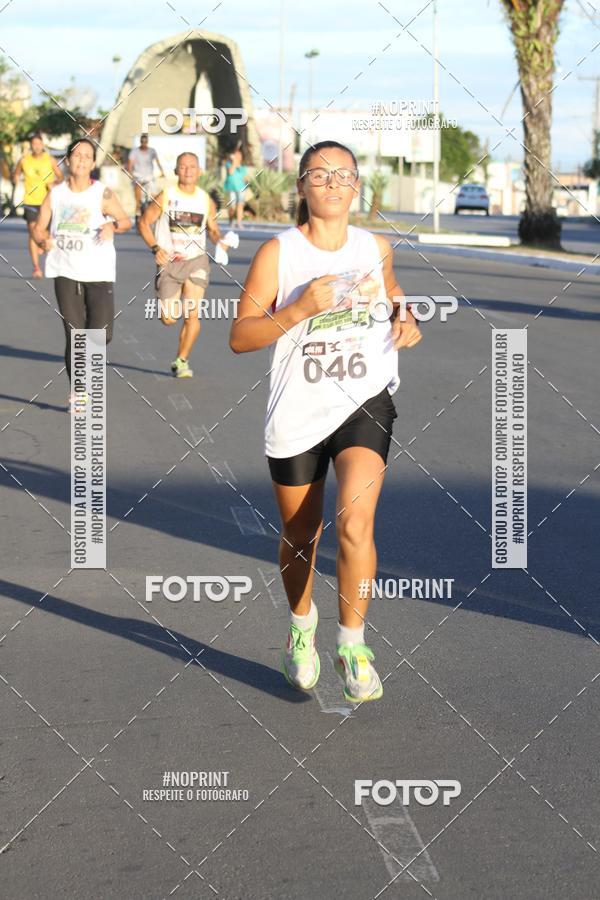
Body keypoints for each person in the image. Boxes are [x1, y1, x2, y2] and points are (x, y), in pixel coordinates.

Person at [229, 140, 422, 702]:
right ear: (302, 186)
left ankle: (354, 643)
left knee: (356, 524)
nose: (334, 183)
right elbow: (241, 336)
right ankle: (301, 625)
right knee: (299, 534)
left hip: (365, 397)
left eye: (344, 174)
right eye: (321, 174)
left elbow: (392, 298)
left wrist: (405, 319)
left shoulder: (375, 246)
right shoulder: (278, 254)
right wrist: (298, 309)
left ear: (357, 186)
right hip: (297, 409)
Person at [33, 138, 131, 405]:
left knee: (103, 334)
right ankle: (79, 391)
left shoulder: (103, 193)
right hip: (65, 270)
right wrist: (43, 240)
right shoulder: (55, 194)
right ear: (68, 159)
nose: (82, 160)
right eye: (77, 155)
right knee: (74, 333)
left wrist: (112, 226)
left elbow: (125, 220)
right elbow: (39, 227)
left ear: (93, 162)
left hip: (98, 272)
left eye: (87, 156)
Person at [138, 152, 231, 378]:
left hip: (196, 261)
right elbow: (143, 222)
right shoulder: (166, 195)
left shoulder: (204, 200)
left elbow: (213, 229)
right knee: (169, 318)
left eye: (192, 166)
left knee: (192, 314)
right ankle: (171, 300)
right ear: (176, 171)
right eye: (183, 166)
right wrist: (155, 248)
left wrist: (221, 241)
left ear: (199, 171)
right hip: (169, 263)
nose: (188, 170)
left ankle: (182, 360)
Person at [12, 133, 64, 278]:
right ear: (31, 145)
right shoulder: (24, 160)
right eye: (34, 144)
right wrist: (15, 178)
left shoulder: (50, 160)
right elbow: (15, 174)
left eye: (39, 143)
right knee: (33, 231)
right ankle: (36, 268)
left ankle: (43, 247)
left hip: (47, 201)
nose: (36, 146)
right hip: (30, 201)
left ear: (42, 145)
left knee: (46, 235)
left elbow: (60, 176)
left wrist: (55, 183)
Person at [127, 134, 164, 219]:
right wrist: (130, 174)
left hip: (149, 176)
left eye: (145, 142)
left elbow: (157, 162)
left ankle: (156, 210)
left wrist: (162, 172)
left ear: (147, 142)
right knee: (138, 188)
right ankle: (138, 208)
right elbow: (130, 164)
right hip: (138, 175)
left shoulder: (152, 151)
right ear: (140, 142)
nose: (144, 143)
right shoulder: (134, 151)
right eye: (142, 142)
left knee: (154, 194)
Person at [223, 147, 248, 228]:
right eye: (236, 155)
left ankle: (239, 222)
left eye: (239, 155)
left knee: (240, 205)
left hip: (241, 188)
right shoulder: (228, 164)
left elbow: (244, 178)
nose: (238, 157)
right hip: (231, 188)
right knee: (232, 206)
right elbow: (230, 172)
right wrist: (234, 162)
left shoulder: (243, 166)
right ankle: (231, 221)